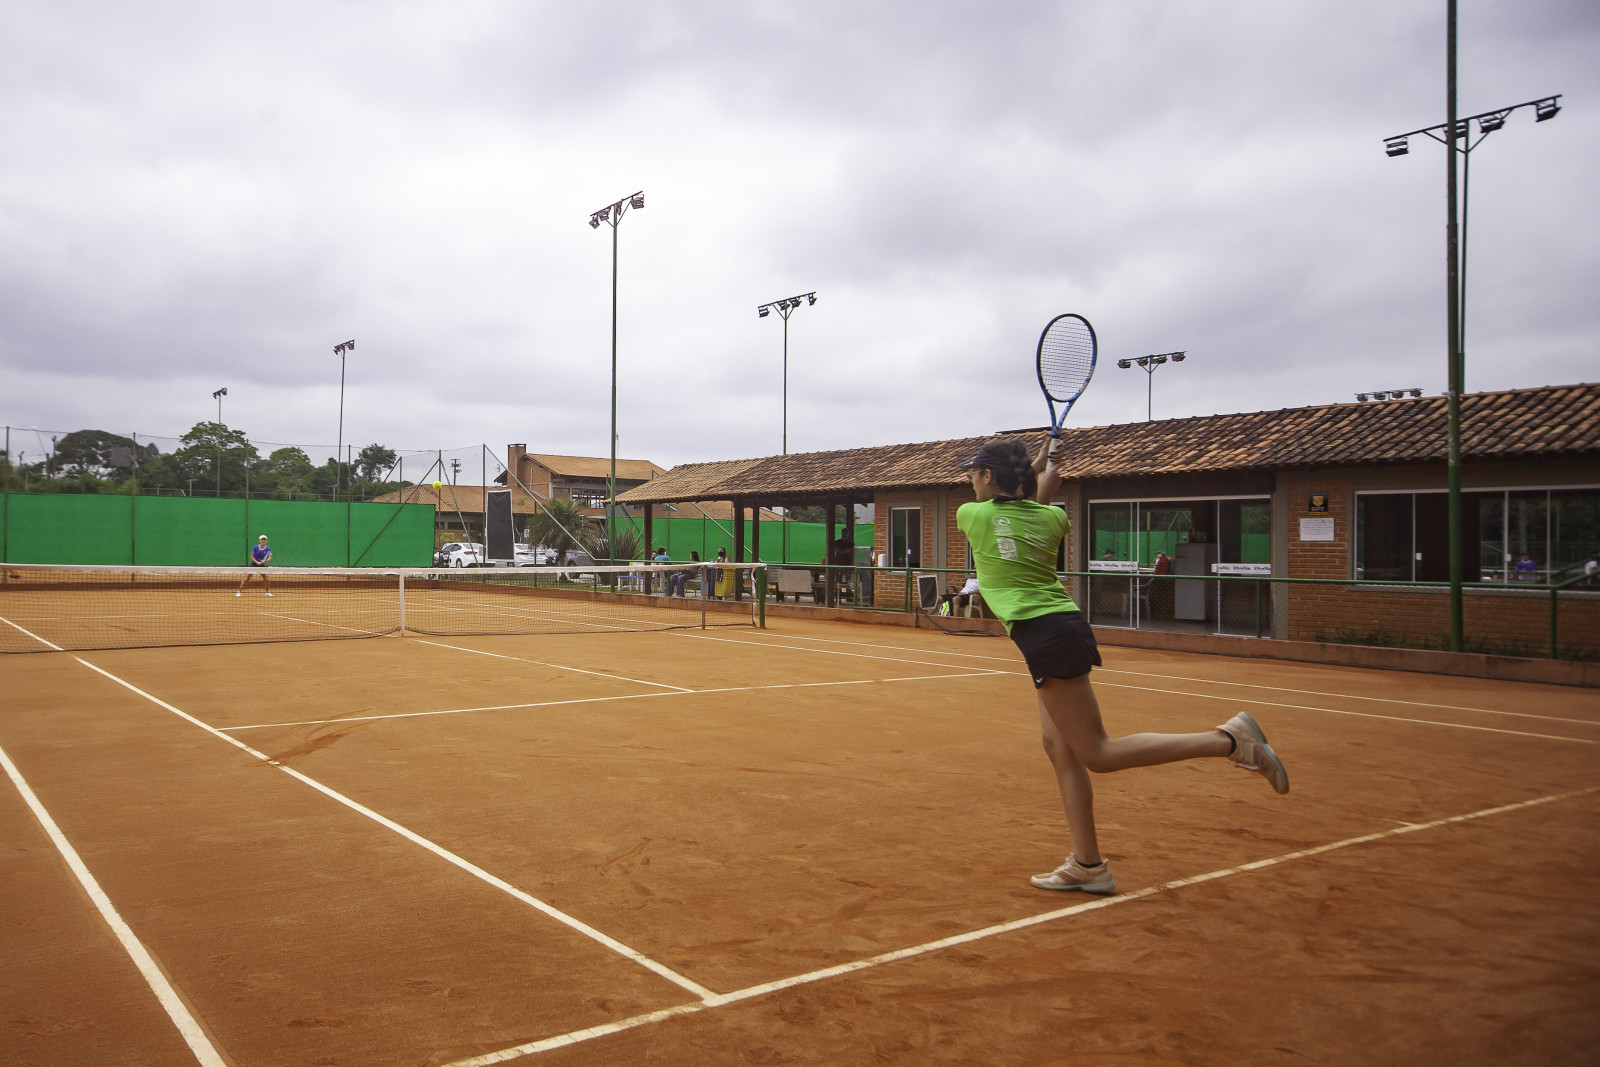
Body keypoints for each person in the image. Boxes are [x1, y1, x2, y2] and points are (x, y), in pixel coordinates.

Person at [956, 437, 1288, 896]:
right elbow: (1026, 507)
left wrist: (1038, 472)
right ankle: (1088, 864)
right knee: (1061, 749)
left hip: (1046, 636)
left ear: (988, 477)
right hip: (1058, 628)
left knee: (1098, 753)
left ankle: (1229, 741)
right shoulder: (1054, 518)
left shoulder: (973, 515)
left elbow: (1016, 508)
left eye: (973, 472)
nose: (970, 480)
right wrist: (1039, 475)